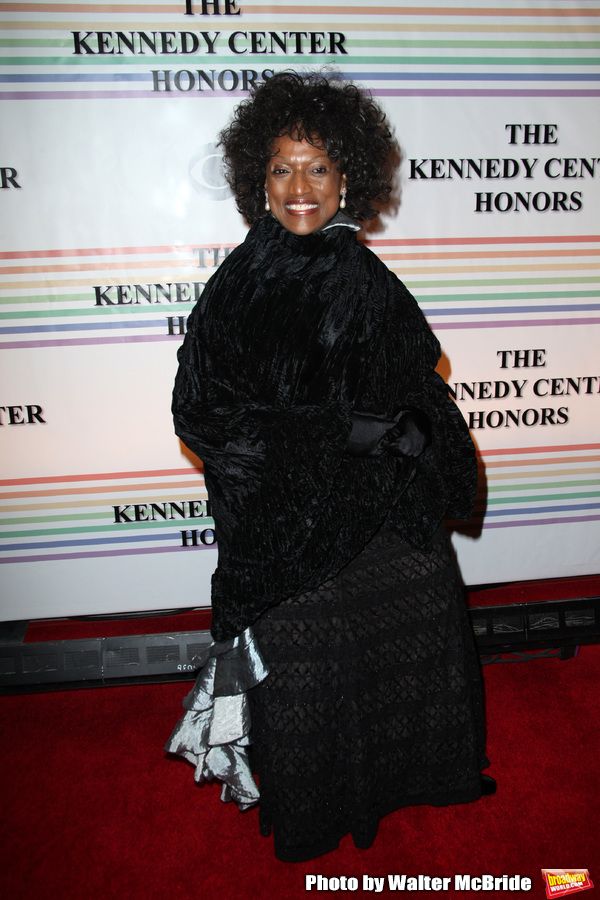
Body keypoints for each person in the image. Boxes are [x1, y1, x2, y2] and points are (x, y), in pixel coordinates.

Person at [165, 71, 492, 863]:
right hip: (287, 530)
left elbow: (416, 380)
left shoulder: (363, 272)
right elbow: (203, 414)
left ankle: (416, 775)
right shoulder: (242, 282)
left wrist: (417, 436)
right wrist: (337, 436)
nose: (300, 187)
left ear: (347, 178)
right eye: (282, 168)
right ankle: (317, 809)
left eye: (318, 167)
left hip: (375, 508)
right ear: (259, 180)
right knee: (309, 667)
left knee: (424, 608)